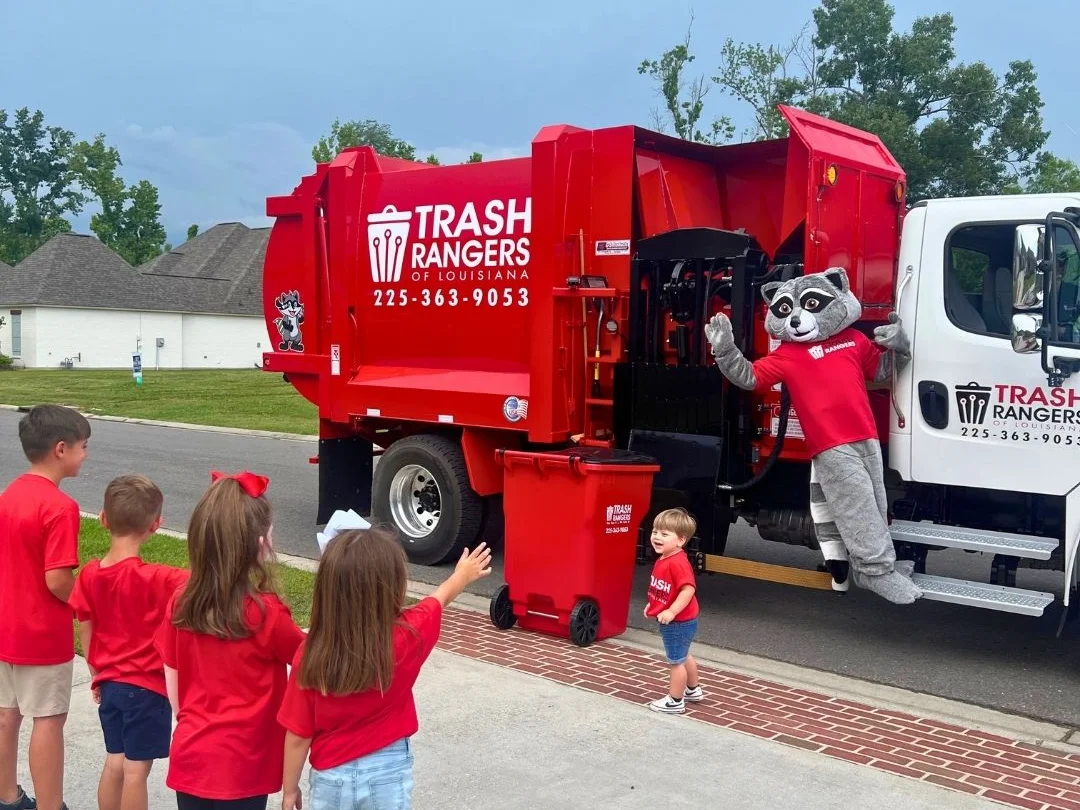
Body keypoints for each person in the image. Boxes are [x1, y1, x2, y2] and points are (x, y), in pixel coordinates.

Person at [277, 529, 493, 810]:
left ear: (328, 590)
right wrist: (462, 575)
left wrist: (290, 790)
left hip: (332, 776)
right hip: (388, 772)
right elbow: (436, 601)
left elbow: (298, 734)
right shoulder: (408, 638)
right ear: (391, 587)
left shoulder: (311, 655)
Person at [154, 471, 305, 810]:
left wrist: (188, 719)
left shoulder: (182, 601)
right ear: (259, 543)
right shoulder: (267, 614)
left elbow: (171, 670)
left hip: (192, 754)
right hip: (244, 765)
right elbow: (311, 661)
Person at [68, 475, 190, 810]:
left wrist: (98, 673)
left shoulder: (90, 574)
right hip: (147, 689)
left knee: (114, 760)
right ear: (156, 525)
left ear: (103, 519)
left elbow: (87, 632)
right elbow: (202, 581)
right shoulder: (158, 578)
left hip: (110, 685)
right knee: (136, 771)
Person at [0, 404, 91, 810]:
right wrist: (85, 602)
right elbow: (56, 580)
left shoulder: (9, 494)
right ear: (60, 449)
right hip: (41, 634)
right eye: (83, 446)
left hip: (5, 625)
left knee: (6, 716)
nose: (85, 454)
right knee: (48, 722)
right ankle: (50, 806)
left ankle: (7, 795)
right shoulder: (60, 508)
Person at [643, 507, 704, 715]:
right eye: (655, 532)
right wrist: (654, 605)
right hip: (679, 620)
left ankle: (675, 700)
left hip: (678, 621)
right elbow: (662, 587)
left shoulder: (677, 563)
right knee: (684, 654)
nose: (657, 537)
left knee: (676, 661)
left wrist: (671, 611)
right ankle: (693, 690)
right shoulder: (665, 558)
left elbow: (688, 589)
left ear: (681, 540)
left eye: (664, 534)